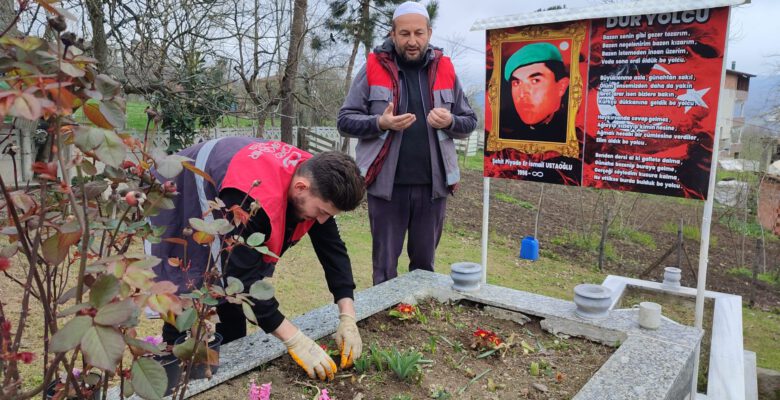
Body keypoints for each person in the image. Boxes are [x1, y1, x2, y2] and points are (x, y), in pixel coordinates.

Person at [148, 137, 365, 381]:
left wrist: (348, 315)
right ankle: (173, 375)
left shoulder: (315, 175)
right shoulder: (253, 200)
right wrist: (295, 339)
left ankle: (223, 371)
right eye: (322, 212)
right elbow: (241, 278)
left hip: (226, 183)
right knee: (186, 283)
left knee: (230, 301)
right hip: (178, 195)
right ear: (301, 188)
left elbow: (332, 248)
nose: (322, 221)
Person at [337, 1, 477, 285]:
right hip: (385, 189)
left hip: (433, 189)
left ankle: (417, 323)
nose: (412, 41)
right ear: (393, 33)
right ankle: (384, 323)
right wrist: (379, 123)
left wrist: (450, 121)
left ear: (429, 32)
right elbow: (345, 120)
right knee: (385, 269)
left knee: (424, 268)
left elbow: (470, 121)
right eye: (404, 34)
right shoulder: (374, 66)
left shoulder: (445, 68)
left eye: (418, 33)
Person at [499, 42, 570, 142]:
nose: (522, 94)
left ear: (561, 86)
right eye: (517, 83)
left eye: (535, 81)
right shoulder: (509, 135)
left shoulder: (574, 136)